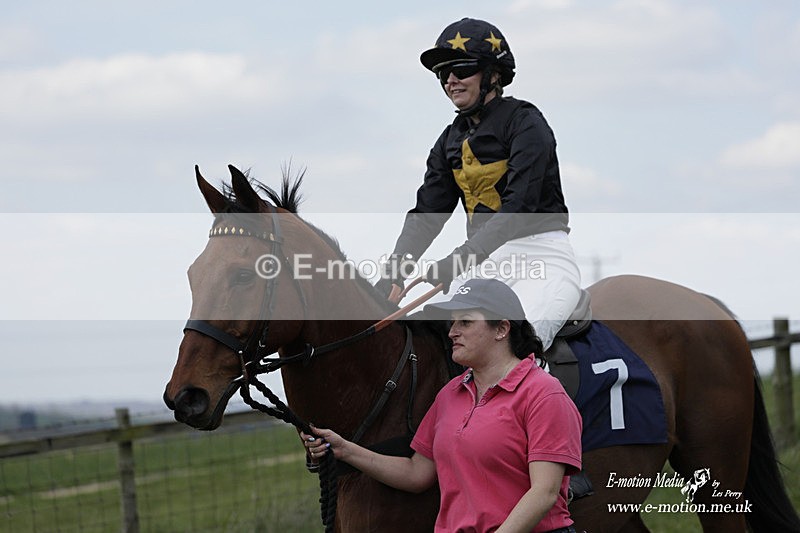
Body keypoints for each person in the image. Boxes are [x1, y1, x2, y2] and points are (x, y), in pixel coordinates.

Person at [303, 279, 582, 533]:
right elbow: (417, 473)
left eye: (465, 322)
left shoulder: (543, 394)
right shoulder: (450, 394)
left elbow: (544, 492)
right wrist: (345, 449)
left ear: (502, 329)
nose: (452, 332)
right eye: (452, 323)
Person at [375, 18, 581, 351]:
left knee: (513, 349)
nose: (451, 80)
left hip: (541, 258)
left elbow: (518, 209)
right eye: (444, 74)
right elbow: (427, 213)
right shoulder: (448, 140)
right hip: (481, 265)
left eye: (461, 69)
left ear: (493, 74)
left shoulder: (526, 122)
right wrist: (395, 269)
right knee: (435, 350)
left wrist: (457, 260)